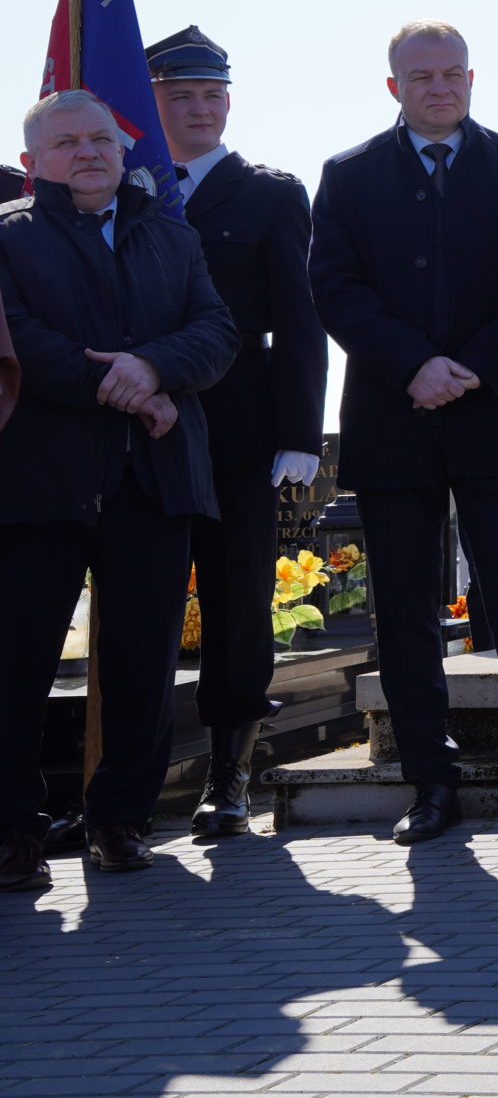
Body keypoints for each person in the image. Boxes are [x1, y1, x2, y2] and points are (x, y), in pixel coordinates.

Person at [309, 22, 498, 846]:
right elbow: (335, 286)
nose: (440, 86)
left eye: (452, 72)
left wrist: (473, 369)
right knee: (403, 611)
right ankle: (430, 783)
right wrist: (414, 366)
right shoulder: (349, 175)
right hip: (394, 421)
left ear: (472, 77)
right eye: (422, 76)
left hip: (493, 416)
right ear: (394, 87)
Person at [0, 90, 237, 890]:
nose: (89, 152)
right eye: (67, 142)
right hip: (38, 485)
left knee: (142, 665)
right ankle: (13, 835)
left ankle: (120, 821)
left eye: (101, 138)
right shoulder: (7, 238)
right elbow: (18, 339)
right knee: (15, 665)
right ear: (31, 163)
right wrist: (127, 389)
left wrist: (153, 369)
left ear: (124, 147)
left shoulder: (171, 234)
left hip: (153, 481)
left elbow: (217, 331)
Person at [144, 25, 328, 840]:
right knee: (142, 603)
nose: (200, 109)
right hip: (140, 421)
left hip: (240, 426)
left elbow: (300, 316)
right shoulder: (127, 185)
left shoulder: (269, 192)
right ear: (152, 101)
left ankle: (229, 776)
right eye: (181, 95)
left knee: (238, 602)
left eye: (213, 95)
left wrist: (300, 432)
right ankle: (131, 782)